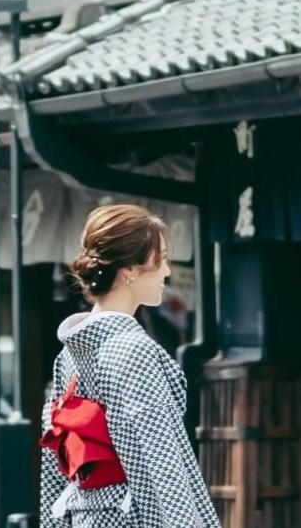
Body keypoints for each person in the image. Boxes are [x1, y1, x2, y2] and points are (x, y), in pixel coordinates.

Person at [39, 204, 220, 528]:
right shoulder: (133, 351)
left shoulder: (67, 357)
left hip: (87, 516)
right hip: (132, 516)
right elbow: (158, 462)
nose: (167, 271)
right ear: (130, 270)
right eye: (161, 259)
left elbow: (57, 464)